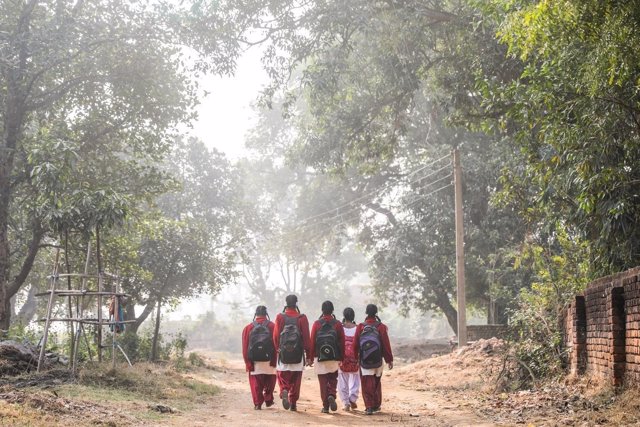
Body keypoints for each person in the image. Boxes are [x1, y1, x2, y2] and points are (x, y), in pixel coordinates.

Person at [272, 294, 312, 411]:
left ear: (286, 303)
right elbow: (306, 338)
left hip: (283, 353)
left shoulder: (280, 317)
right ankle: (293, 402)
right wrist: (308, 355)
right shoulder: (302, 318)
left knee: (282, 375)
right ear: (296, 303)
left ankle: (284, 389)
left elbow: (275, 336)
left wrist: (277, 348)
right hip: (298, 354)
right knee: (296, 378)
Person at [353, 304, 393, 415]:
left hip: (364, 360)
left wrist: (355, 358)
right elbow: (386, 345)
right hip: (378, 360)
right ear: (376, 313)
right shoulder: (381, 327)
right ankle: (376, 405)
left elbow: (355, 345)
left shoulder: (360, 326)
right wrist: (389, 359)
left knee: (366, 383)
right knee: (376, 382)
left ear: (366, 312)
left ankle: (369, 406)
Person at [309, 300, 345, 413]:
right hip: (334, 357)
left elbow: (312, 341)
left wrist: (310, 357)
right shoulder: (338, 324)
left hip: (320, 357)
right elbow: (342, 342)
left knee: (323, 382)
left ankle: (325, 406)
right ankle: (332, 395)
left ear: (322, 310)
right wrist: (341, 357)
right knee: (333, 378)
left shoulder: (316, 324)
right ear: (332, 310)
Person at [242, 305, 277, 410]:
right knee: (270, 380)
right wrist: (275, 361)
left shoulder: (248, 328)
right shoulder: (273, 326)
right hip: (269, 360)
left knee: (256, 383)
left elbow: (245, 348)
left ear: (255, 314)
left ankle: (258, 403)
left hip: (254, 361)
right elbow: (276, 344)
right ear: (266, 314)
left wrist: (248, 363)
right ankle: (268, 398)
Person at [337, 307, 360, 411]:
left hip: (343, 359)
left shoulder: (340, 328)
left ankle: (346, 403)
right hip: (355, 358)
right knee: (356, 379)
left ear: (344, 317)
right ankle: (352, 398)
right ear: (353, 316)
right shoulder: (359, 328)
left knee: (342, 380)